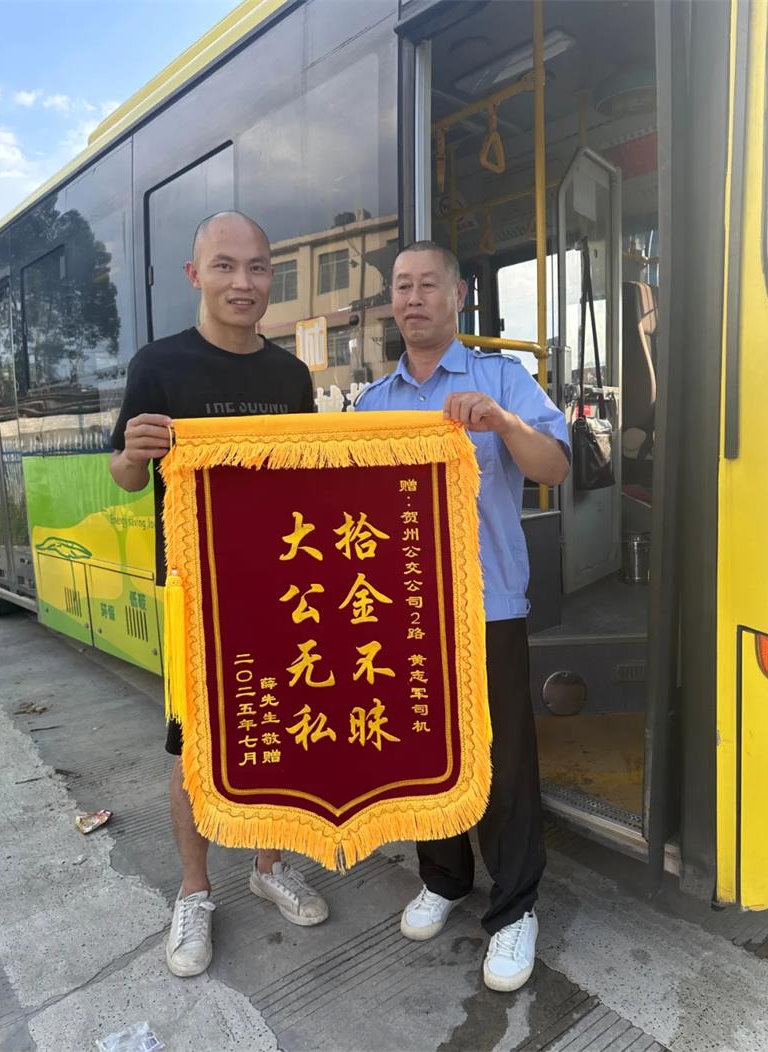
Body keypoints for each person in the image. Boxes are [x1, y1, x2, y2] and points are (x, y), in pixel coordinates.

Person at [109, 211, 329, 979]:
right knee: (191, 747)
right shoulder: (158, 365)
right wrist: (133, 455)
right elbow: (125, 475)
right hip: (194, 598)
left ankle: (269, 865)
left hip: (279, 588)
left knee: (277, 731)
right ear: (195, 275)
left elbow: (307, 476)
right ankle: (195, 890)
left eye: (258, 267)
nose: (244, 282)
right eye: (226, 266)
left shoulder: (290, 376)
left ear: (272, 276)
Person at [356, 241, 570, 992]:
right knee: (422, 752)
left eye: (428, 285)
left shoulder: (502, 379)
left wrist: (505, 423)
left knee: (503, 762)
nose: (413, 298)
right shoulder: (371, 404)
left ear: (457, 296)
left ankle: (514, 909)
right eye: (402, 287)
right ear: (392, 302)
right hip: (402, 616)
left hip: (487, 605)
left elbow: (555, 467)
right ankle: (443, 878)